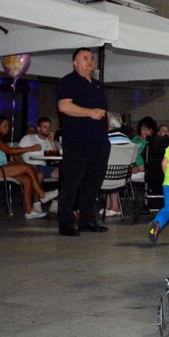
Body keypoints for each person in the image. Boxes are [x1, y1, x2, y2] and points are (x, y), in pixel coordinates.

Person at [57, 48, 111, 236]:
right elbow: (64, 106)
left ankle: (87, 220)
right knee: (71, 183)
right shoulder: (68, 81)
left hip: (99, 143)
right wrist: (90, 113)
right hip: (77, 142)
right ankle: (65, 223)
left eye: (91, 58)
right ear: (75, 63)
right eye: (85, 58)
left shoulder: (96, 85)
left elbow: (103, 112)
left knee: (93, 183)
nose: (90, 61)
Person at [0, 115, 57, 219]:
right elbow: (9, 151)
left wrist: (19, 162)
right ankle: (42, 195)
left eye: (8, 125)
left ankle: (29, 212)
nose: (8, 128)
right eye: (5, 126)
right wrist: (31, 148)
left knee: (27, 179)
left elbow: (9, 154)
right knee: (27, 168)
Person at [19, 117, 59, 183]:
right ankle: (40, 193)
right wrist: (24, 165)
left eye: (49, 127)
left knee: (65, 174)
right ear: (38, 128)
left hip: (44, 167)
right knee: (40, 175)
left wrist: (52, 142)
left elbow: (56, 161)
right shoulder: (28, 137)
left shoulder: (48, 141)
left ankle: (57, 193)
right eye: (45, 127)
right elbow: (17, 153)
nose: (48, 129)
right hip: (30, 166)